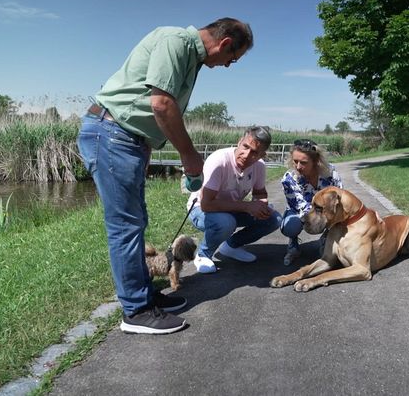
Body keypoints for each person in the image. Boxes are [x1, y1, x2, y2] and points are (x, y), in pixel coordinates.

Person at [77, 17, 253, 335]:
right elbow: (161, 104)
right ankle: (136, 311)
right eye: (232, 59)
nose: (228, 66)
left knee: (136, 222)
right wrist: (188, 154)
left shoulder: (189, 56)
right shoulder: (175, 43)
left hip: (127, 140)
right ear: (226, 43)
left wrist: (144, 149)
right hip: (112, 134)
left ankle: (145, 297)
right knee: (126, 227)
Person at [188, 126, 281, 273]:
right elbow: (206, 204)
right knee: (226, 222)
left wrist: (262, 205)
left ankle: (231, 246)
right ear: (239, 142)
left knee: (274, 219)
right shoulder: (219, 160)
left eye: (254, 152)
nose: (246, 154)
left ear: (262, 155)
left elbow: (260, 193)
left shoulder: (259, 167)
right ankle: (203, 254)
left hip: (231, 209)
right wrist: (247, 207)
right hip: (200, 209)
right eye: (245, 146)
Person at [280, 139, 343, 265]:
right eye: (295, 161)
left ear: (316, 161)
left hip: (326, 211)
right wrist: (322, 218)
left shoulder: (330, 173)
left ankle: (327, 238)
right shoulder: (289, 179)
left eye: (303, 162)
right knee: (289, 226)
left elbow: (339, 197)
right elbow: (300, 207)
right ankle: (293, 243)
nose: (298, 166)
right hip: (301, 212)